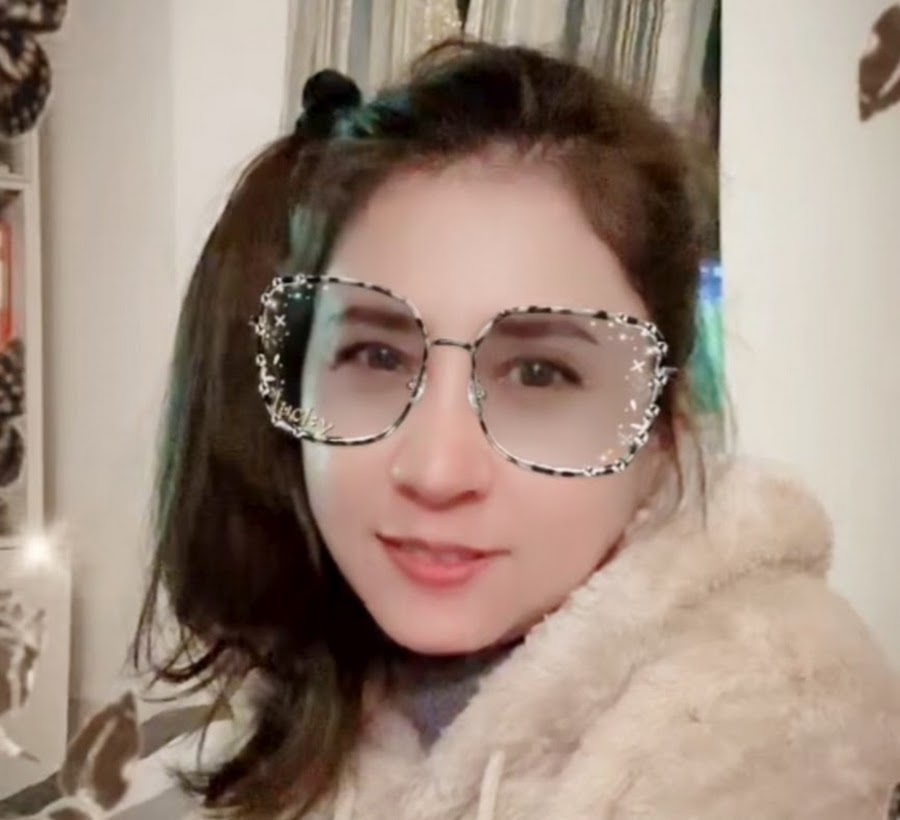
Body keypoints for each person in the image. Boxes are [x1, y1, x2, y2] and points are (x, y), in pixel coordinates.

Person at [133, 40, 900, 820]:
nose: (435, 469)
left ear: (663, 428)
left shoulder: (773, 725)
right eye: (376, 355)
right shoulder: (313, 673)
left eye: (539, 373)